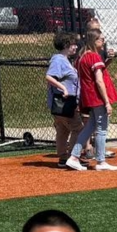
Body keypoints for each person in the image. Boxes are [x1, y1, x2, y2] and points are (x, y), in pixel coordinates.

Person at [66, 28, 117, 171]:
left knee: (90, 127)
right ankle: (101, 161)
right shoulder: (94, 57)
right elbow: (98, 81)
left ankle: (74, 156)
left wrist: (107, 61)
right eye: (101, 39)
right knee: (101, 130)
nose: (103, 41)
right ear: (94, 41)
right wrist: (107, 102)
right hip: (96, 96)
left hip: (88, 96)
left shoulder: (81, 57)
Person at [45, 31, 81, 168]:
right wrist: (64, 89)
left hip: (62, 103)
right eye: (73, 44)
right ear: (66, 45)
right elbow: (49, 77)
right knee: (78, 128)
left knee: (63, 130)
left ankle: (63, 158)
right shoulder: (58, 59)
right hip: (64, 102)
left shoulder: (64, 60)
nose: (75, 47)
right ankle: (73, 156)